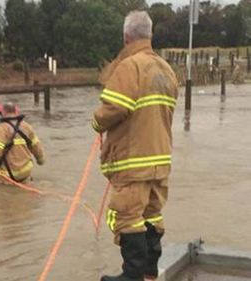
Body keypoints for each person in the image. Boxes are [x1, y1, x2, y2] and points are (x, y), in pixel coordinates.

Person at [91, 11, 178, 281]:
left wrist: (97, 122)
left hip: (133, 161)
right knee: (151, 214)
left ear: (126, 37)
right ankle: (149, 272)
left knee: (126, 216)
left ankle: (132, 276)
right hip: (160, 161)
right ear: (150, 36)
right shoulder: (166, 70)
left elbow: (116, 106)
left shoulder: (130, 66)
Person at [0, 102, 45, 184]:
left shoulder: (1, 129)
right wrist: (40, 160)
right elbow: (36, 146)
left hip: (8, 174)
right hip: (26, 172)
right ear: (15, 112)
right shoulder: (26, 126)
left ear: (3, 113)